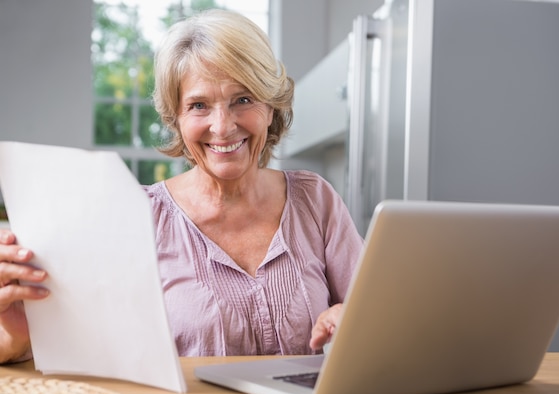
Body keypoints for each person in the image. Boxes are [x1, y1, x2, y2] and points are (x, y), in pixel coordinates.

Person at [0, 9, 363, 364]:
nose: (222, 127)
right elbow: (73, 348)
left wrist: (352, 319)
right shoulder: (137, 216)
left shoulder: (315, 200)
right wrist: (16, 334)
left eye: (243, 99)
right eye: (199, 105)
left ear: (271, 107)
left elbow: (379, 319)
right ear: (176, 119)